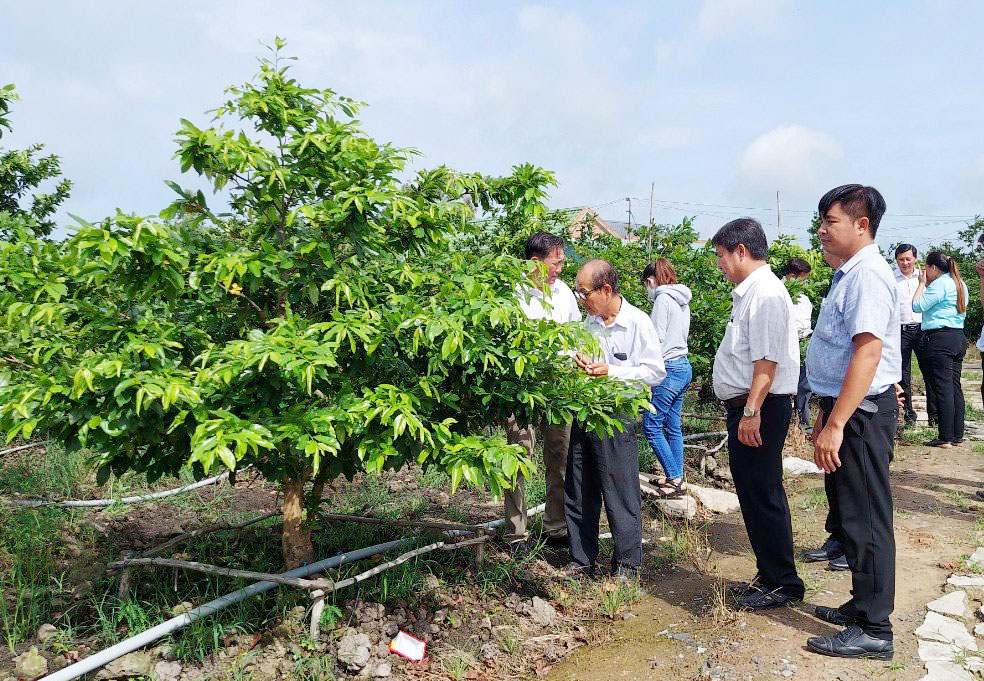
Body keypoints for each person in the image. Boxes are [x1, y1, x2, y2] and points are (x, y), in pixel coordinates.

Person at [806, 184, 899, 660]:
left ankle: (875, 630)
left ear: (862, 225)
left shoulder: (867, 276)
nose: (821, 230)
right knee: (852, 516)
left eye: (830, 221)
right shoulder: (849, 273)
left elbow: (868, 351)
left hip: (860, 416)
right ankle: (863, 606)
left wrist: (838, 422)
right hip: (848, 409)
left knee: (866, 519)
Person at [711, 218, 804, 610]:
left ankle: (783, 583)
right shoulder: (749, 293)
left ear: (741, 252)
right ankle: (769, 574)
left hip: (759, 408)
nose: (719, 265)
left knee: (762, 493)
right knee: (753, 493)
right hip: (752, 407)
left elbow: (767, 362)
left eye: (721, 256)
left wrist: (751, 411)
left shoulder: (765, 294)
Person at [567, 259, 666, 579]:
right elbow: (572, 358)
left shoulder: (637, 323)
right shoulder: (589, 324)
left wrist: (612, 372)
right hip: (586, 411)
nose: (582, 300)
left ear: (606, 290)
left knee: (619, 488)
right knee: (580, 487)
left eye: (584, 293)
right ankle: (581, 559)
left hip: (617, 414)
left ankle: (626, 563)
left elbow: (654, 372)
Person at [504, 232, 581, 556]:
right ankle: (515, 533)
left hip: (558, 387)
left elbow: (577, 334)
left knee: (560, 457)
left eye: (562, 262)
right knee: (518, 458)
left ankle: (556, 526)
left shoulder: (563, 293)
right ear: (535, 262)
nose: (559, 269)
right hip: (522, 387)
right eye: (556, 262)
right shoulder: (514, 294)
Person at [640, 258, 693, 498]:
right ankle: (677, 475)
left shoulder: (662, 300)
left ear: (651, 281)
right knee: (672, 425)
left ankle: (673, 478)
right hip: (683, 365)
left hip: (669, 368)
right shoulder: (683, 299)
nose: (647, 291)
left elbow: (657, 340)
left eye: (646, 285)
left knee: (651, 424)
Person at [912, 251, 969, 448]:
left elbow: (917, 306)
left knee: (942, 388)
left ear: (933, 268)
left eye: (926, 268)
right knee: (954, 386)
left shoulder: (939, 284)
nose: (925, 271)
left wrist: (921, 284)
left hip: (940, 339)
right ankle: (957, 433)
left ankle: (945, 436)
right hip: (958, 336)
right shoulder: (960, 283)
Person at [895, 244, 937, 427]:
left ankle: (934, 417)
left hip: (922, 329)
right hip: (900, 330)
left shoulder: (925, 277)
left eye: (908, 259)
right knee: (902, 375)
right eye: (901, 259)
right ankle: (908, 415)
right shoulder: (890, 278)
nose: (905, 263)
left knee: (930, 372)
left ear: (915, 258)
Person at [785, 258, 814, 433]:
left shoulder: (804, 298)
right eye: (803, 279)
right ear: (791, 276)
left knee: (804, 385)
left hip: (803, 343)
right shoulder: (779, 293)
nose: (806, 283)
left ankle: (802, 422)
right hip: (788, 344)